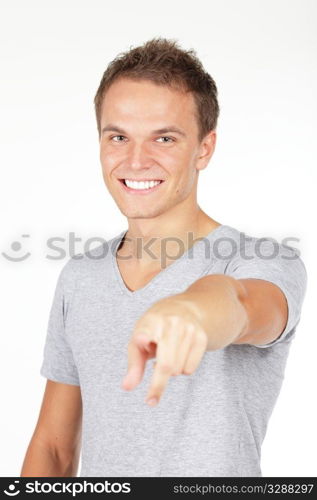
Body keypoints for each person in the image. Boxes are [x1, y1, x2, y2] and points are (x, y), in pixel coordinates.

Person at [20, 37, 307, 477]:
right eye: (118, 137)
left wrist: (193, 310)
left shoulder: (262, 260)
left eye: (164, 138)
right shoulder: (79, 277)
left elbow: (242, 304)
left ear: (204, 148)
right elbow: (54, 449)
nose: (136, 161)